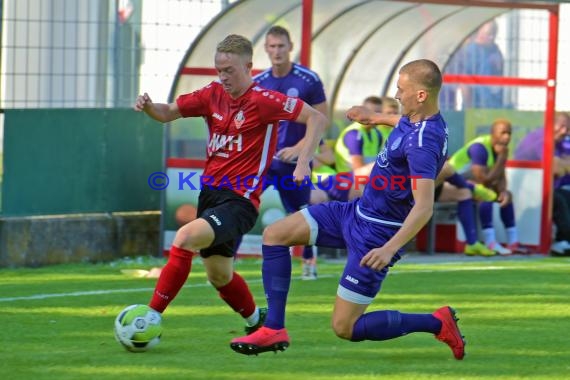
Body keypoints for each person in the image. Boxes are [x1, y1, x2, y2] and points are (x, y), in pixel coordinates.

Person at [230, 59, 466, 360]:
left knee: (345, 327)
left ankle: (436, 322)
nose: (396, 94)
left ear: (421, 95)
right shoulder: (419, 118)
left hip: (378, 236)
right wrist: (375, 117)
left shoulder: (424, 143)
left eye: (401, 89)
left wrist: (388, 249)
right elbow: (403, 124)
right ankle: (273, 328)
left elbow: (423, 208)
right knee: (276, 234)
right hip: (355, 212)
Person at [133, 34, 326, 336]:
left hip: (241, 201)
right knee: (219, 276)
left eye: (229, 70)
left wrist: (303, 159)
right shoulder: (211, 94)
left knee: (184, 238)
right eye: (219, 70)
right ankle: (256, 321)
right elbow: (167, 113)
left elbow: (316, 118)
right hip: (210, 195)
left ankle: (150, 317)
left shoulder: (264, 100)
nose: (223, 77)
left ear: (248, 66)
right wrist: (148, 107)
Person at [253, 26, 328, 280]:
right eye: (272, 46)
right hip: (265, 163)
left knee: (302, 213)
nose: (276, 51)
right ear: (265, 49)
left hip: (296, 164)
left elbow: (321, 120)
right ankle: (225, 258)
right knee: (241, 202)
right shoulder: (259, 82)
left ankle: (308, 261)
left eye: (281, 46)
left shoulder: (309, 80)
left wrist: (299, 150)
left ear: (290, 47)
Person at [448, 118, 524, 255]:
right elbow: (484, 180)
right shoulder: (480, 148)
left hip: (469, 184)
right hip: (450, 183)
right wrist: (502, 159)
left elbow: (500, 176)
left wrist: (503, 191)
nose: (507, 137)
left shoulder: (499, 150)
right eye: (503, 133)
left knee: (506, 197)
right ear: (493, 133)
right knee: (486, 195)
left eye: (509, 133)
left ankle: (513, 242)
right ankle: (490, 242)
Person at [515, 112, 570, 255]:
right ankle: (561, 241)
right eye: (562, 126)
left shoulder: (558, 142)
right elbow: (556, 168)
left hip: (542, 187)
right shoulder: (541, 139)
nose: (565, 131)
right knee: (558, 199)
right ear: (551, 124)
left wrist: (563, 164)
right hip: (525, 189)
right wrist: (563, 164)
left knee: (566, 195)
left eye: (567, 129)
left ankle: (565, 240)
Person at [442, 20, 505, 110]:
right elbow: (463, 82)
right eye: (488, 34)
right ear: (479, 33)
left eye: (493, 35)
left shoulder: (495, 51)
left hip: (492, 105)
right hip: (476, 105)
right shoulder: (470, 52)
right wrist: (469, 108)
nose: (491, 38)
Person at [334, 96, 384, 173]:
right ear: (363, 113)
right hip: (349, 180)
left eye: (379, 113)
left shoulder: (377, 134)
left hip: (369, 178)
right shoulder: (353, 134)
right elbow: (358, 171)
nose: (377, 116)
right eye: (373, 112)